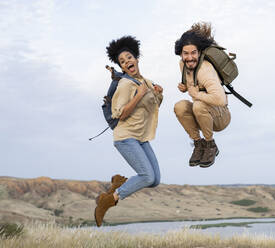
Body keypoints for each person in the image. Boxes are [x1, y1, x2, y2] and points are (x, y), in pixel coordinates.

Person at [94, 36, 163, 227]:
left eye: (129, 58)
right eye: (122, 62)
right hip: (125, 138)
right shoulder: (125, 85)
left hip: (141, 138)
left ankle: (117, 184)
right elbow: (120, 114)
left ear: (137, 59)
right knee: (147, 176)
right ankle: (107, 201)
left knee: (155, 179)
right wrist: (139, 95)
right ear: (122, 68)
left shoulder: (145, 81)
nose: (127, 62)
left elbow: (153, 106)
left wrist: (158, 93)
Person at [174, 22, 231, 168]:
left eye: (193, 53)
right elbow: (193, 84)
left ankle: (210, 145)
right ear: (181, 54)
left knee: (198, 105)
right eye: (186, 53)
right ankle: (199, 144)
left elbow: (221, 99)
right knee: (179, 107)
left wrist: (196, 94)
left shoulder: (205, 70)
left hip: (220, 117)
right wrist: (185, 87)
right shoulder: (182, 64)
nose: (190, 57)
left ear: (199, 53)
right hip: (203, 116)